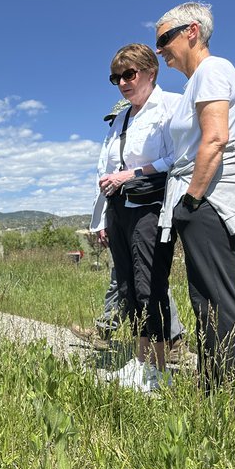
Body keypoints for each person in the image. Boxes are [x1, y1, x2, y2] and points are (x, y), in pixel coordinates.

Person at [155, 2, 235, 394]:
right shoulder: (195, 80)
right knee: (207, 302)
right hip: (204, 199)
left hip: (211, 201)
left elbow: (214, 140)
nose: (160, 48)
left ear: (192, 32)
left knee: (219, 300)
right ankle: (216, 391)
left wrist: (192, 201)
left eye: (165, 38)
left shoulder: (213, 70)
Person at [89, 43, 181, 391]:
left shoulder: (170, 106)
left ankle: (158, 369)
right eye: (116, 78)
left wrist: (132, 175)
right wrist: (100, 220)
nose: (123, 83)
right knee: (127, 288)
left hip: (151, 206)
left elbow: (177, 157)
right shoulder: (122, 116)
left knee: (149, 285)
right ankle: (140, 361)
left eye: (129, 74)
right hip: (119, 208)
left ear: (150, 72)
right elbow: (106, 169)